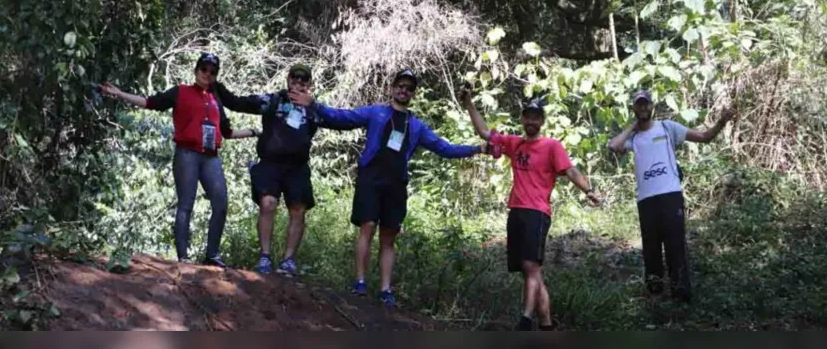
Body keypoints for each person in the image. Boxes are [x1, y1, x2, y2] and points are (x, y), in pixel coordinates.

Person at [289, 69, 490, 307]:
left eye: (409, 88)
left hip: (396, 184)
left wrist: (477, 149)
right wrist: (315, 105)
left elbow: (444, 148)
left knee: (388, 236)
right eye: (400, 85)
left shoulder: (416, 125)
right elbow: (343, 117)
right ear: (392, 88)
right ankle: (360, 282)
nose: (404, 90)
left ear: (413, 93)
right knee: (367, 226)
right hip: (370, 179)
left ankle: (385, 289)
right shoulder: (376, 113)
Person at [459, 86, 601, 331]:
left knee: (530, 266)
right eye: (528, 116)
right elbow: (484, 133)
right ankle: (546, 325)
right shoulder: (514, 145)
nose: (531, 121)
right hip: (516, 211)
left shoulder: (552, 146)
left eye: (536, 117)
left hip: (537, 212)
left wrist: (588, 190)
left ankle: (525, 319)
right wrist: (469, 103)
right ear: (523, 119)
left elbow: (570, 171)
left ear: (542, 121)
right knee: (530, 272)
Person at [100, 53, 258, 267]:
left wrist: (254, 132)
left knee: (220, 203)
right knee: (186, 204)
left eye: (213, 72)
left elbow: (227, 132)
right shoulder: (181, 92)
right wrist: (119, 93)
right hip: (187, 154)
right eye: (204, 69)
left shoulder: (216, 99)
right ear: (196, 70)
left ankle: (212, 255)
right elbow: (150, 102)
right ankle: (183, 257)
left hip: (211, 156)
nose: (207, 74)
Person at [607, 90, 736, 303]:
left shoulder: (667, 128)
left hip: (670, 195)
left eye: (646, 104)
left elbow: (705, 137)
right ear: (634, 109)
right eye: (639, 105)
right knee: (651, 248)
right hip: (646, 199)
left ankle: (681, 296)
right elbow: (613, 146)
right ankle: (655, 294)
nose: (643, 108)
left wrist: (722, 121)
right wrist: (632, 127)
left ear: (652, 106)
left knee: (676, 245)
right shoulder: (634, 137)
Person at [212, 63, 336, 275]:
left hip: (297, 166)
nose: (298, 82)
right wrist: (214, 82)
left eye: (303, 80)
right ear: (287, 79)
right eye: (294, 78)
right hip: (270, 162)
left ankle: (288, 260)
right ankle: (265, 257)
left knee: (298, 209)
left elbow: (341, 121)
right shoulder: (273, 100)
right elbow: (236, 102)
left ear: (309, 84)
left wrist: (315, 105)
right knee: (267, 204)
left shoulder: (314, 108)